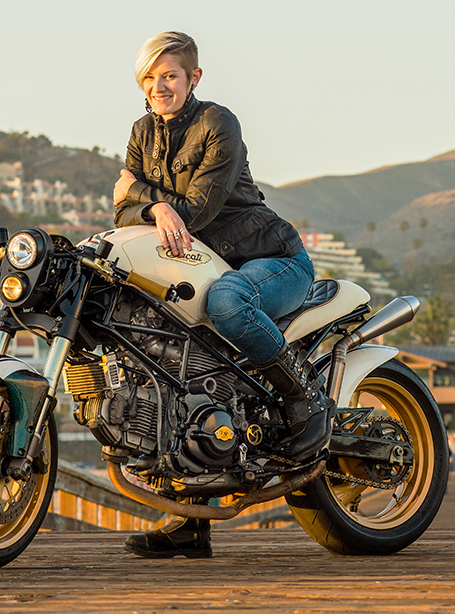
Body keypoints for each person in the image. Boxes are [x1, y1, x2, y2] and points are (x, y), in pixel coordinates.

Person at [113, 31, 335, 559]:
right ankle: (190, 524)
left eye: (170, 75)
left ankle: (306, 400)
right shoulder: (143, 131)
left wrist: (143, 195)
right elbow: (123, 214)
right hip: (203, 266)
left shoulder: (218, 123)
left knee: (228, 305)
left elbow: (199, 210)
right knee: (172, 366)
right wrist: (154, 209)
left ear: (194, 77)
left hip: (269, 259)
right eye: (150, 77)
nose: (159, 85)